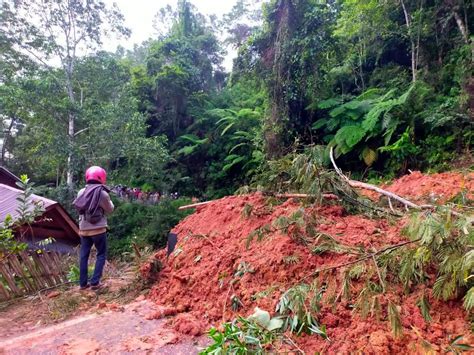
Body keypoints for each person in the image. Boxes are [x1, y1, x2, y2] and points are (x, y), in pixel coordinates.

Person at [73, 166, 114, 290]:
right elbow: (110, 209)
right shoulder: (102, 193)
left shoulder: (81, 192)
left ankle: (83, 284)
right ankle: (95, 282)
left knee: (84, 256)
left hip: (84, 229)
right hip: (99, 229)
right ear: (102, 177)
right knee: (101, 254)